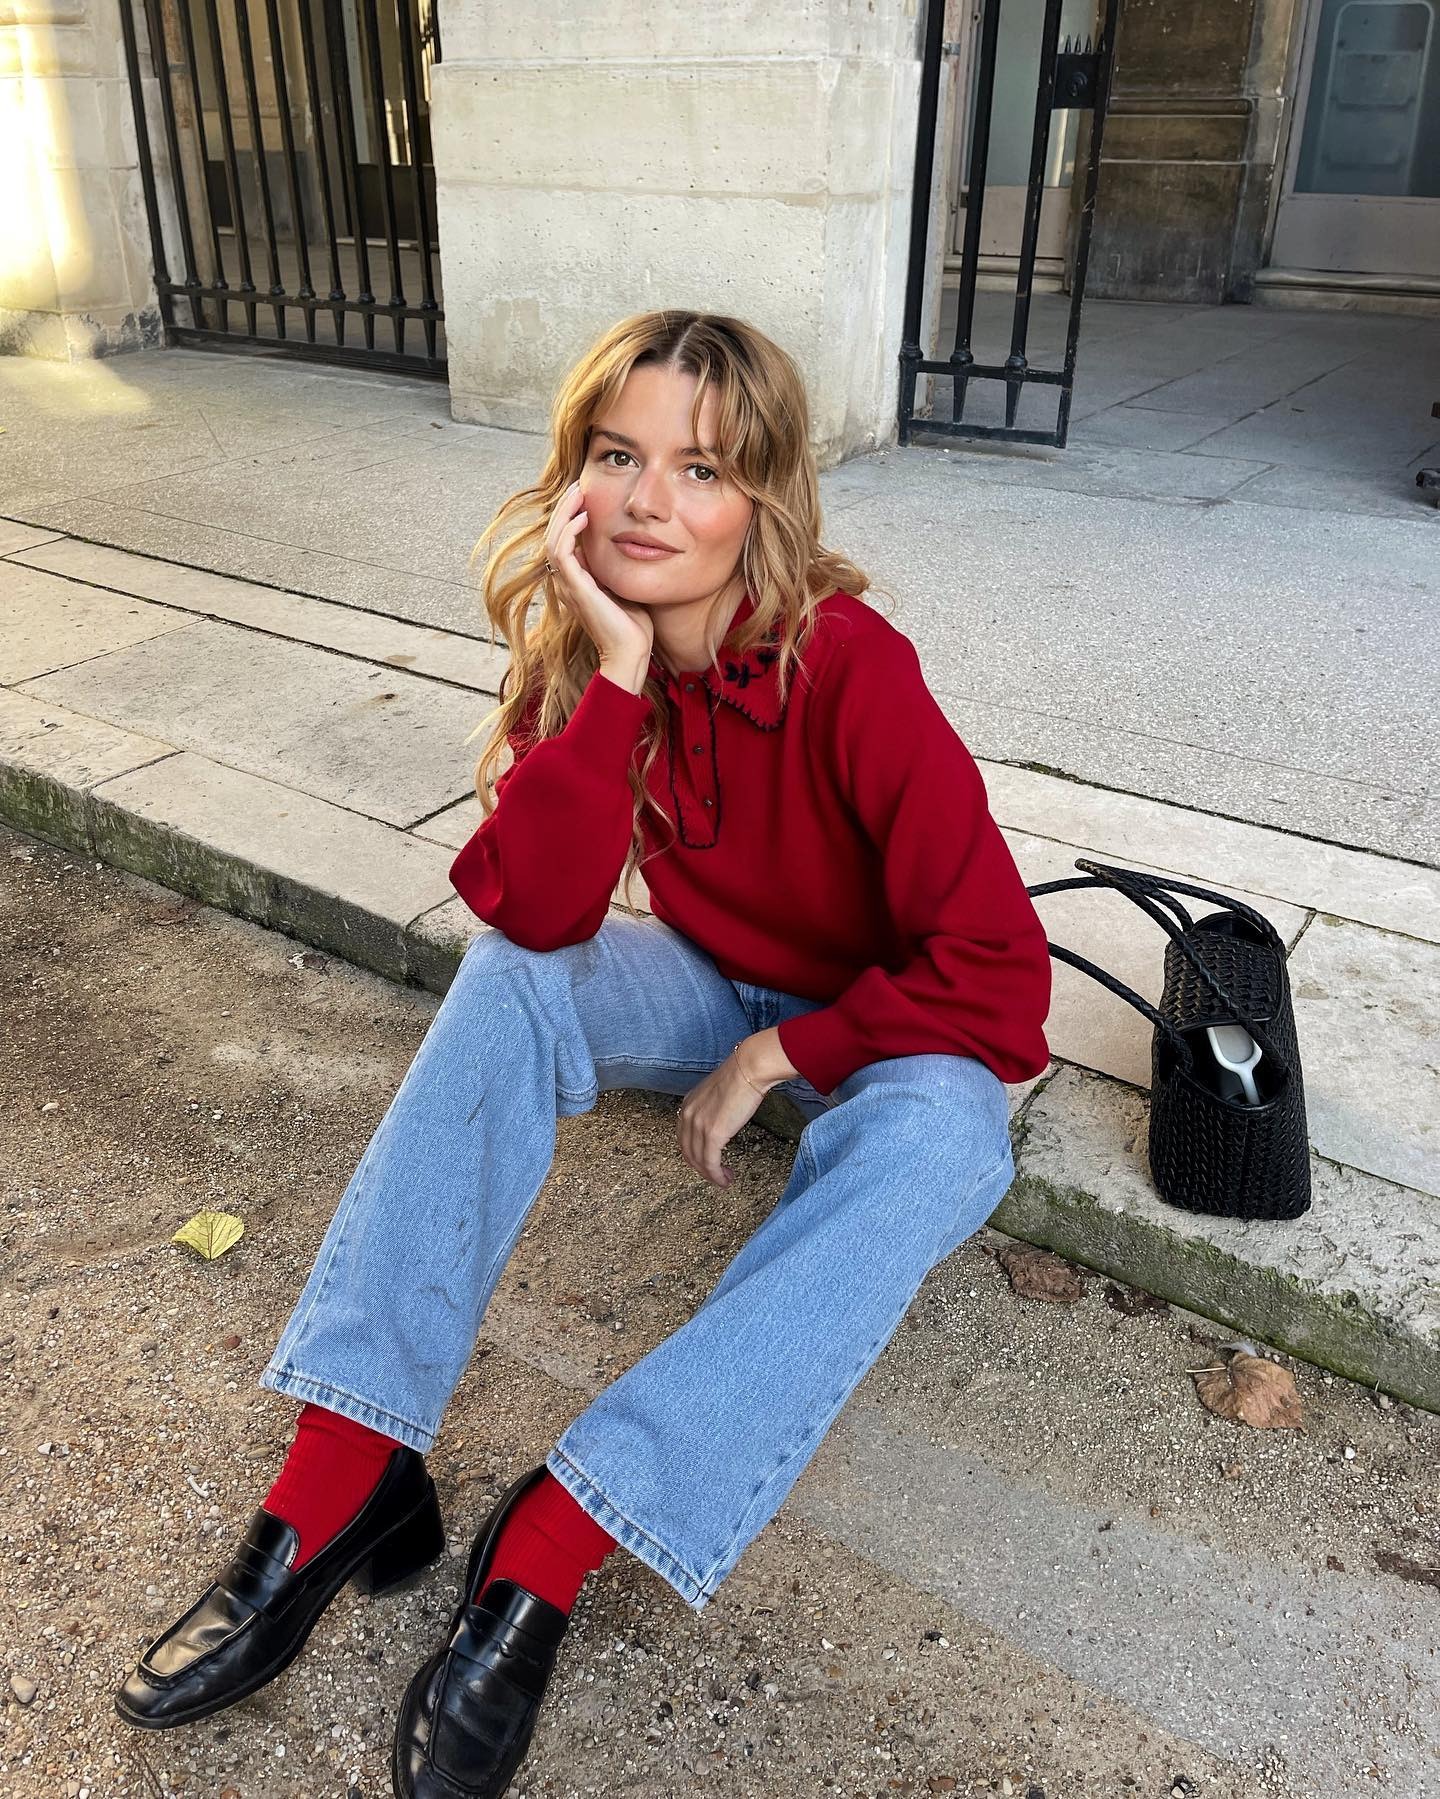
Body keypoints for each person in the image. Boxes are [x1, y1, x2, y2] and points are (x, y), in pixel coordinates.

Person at [113, 310, 1053, 1798]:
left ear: (765, 502)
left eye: (700, 469)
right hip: (707, 984)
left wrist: (790, 1053)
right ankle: (339, 1478)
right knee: (508, 979)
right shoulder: (590, 655)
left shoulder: (850, 666)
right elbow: (534, 912)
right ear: (573, 476)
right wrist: (613, 679)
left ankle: (556, 1534)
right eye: (618, 456)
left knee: (947, 1143)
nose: (646, 501)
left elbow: (1006, 982)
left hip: (894, 1025)